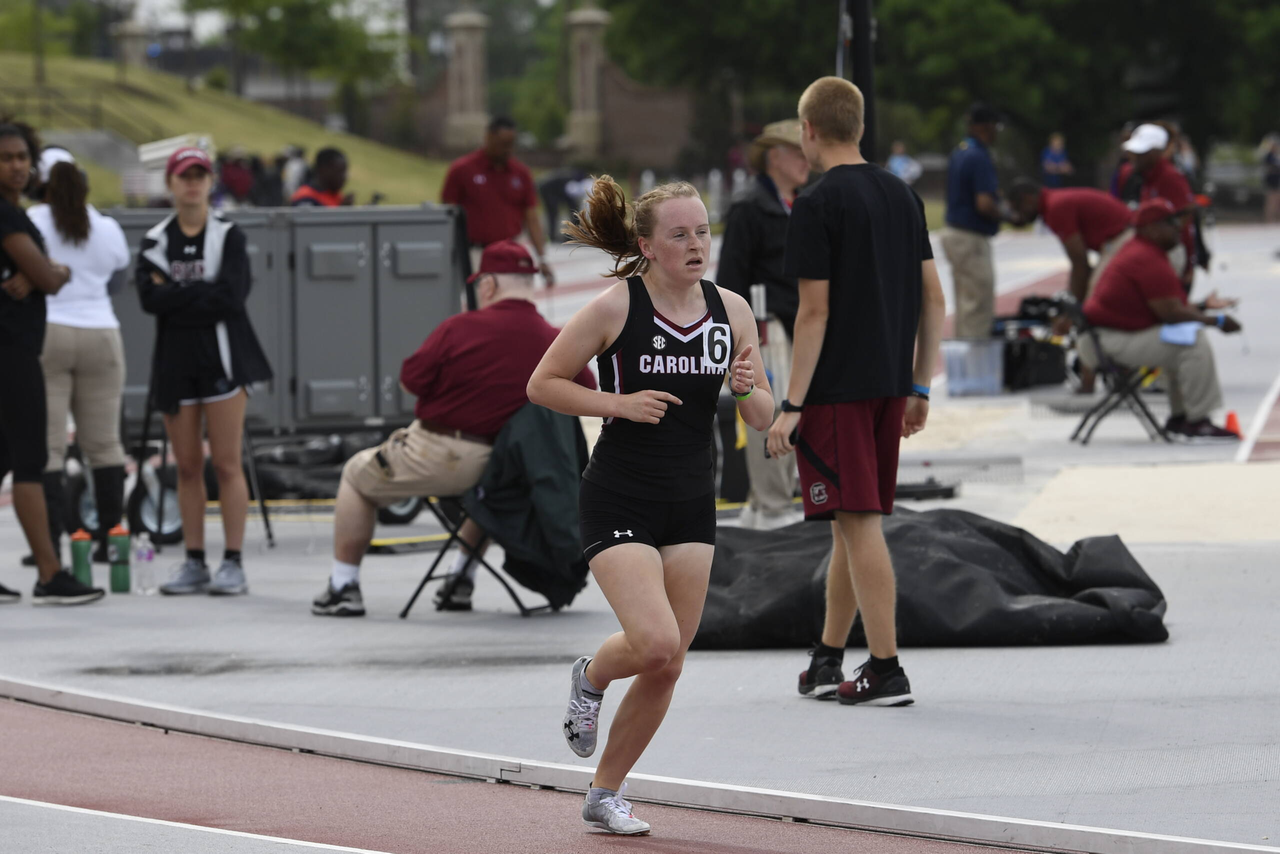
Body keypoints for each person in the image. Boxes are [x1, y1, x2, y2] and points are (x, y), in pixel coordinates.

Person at [527, 177, 773, 835]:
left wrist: (747, 388)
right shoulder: (616, 307)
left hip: (692, 498)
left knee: (668, 661)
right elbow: (542, 383)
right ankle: (591, 676)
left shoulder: (733, 310)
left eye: (702, 232)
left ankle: (604, 793)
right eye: (680, 235)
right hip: (619, 494)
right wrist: (617, 404)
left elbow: (765, 412)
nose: (696, 245)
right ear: (648, 245)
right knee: (654, 639)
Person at [765, 77, 945, 706]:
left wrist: (791, 404)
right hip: (890, 384)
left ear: (808, 131)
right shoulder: (904, 195)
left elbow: (813, 313)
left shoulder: (815, 205)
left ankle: (887, 667)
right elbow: (933, 298)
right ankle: (826, 657)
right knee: (849, 521)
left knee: (859, 522)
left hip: (838, 390)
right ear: (861, 127)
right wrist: (921, 381)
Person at [312, 241, 596, 617]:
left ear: (489, 286)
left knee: (354, 476)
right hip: (507, 470)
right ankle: (460, 578)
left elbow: (410, 381)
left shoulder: (459, 329)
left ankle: (344, 584)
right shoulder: (552, 339)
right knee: (482, 496)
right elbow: (587, 389)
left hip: (439, 453)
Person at [136, 146, 274, 596]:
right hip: (175, 363)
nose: (192, 183)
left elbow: (231, 297)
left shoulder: (228, 236)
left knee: (228, 464)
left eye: (200, 175)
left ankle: (232, 562)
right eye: (184, 175)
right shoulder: (156, 239)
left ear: (211, 182)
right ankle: (193, 561)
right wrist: (199, 293)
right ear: (171, 184)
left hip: (224, 360)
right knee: (188, 467)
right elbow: (149, 301)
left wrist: (178, 294)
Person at [0, 120, 104, 606]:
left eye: (22, 157)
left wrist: (40, 274)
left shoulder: (17, 216)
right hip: (12, 354)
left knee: (5, 458)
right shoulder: (5, 217)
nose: (17, 166)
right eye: (6, 158)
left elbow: (40, 275)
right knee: (30, 460)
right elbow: (51, 277)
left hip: (19, 348)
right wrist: (48, 272)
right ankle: (49, 573)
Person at [26, 151, 131, 567]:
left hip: (48, 332)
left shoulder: (34, 221)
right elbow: (118, 280)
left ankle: (51, 545)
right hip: (101, 333)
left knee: (49, 448)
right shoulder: (106, 227)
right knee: (104, 445)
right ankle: (110, 538)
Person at [1082, 198, 1240, 441]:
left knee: (1179, 336)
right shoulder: (1145, 258)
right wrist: (1217, 322)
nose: (1178, 228)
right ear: (1151, 228)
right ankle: (1198, 420)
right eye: (1170, 223)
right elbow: (1171, 313)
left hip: (1104, 337)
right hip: (1107, 341)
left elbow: (1164, 306)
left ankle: (1181, 417)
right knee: (1192, 341)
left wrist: (1201, 307)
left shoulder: (1142, 251)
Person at [716, 119, 810, 529]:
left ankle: (767, 501)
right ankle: (773, 505)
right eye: (799, 152)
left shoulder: (803, 202)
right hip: (766, 324)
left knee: (798, 412)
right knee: (773, 413)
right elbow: (731, 278)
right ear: (775, 157)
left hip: (802, 322)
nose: (808, 160)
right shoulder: (750, 208)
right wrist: (735, 339)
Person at [440, 117, 554, 284]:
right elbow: (448, 213)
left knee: (514, 304)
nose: (507, 149)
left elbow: (531, 217)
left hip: (512, 250)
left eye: (511, 143)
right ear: (488, 138)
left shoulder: (521, 173)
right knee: (482, 304)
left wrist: (542, 258)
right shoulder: (462, 169)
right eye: (503, 143)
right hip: (476, 252)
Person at [1006, 178, 1133, 300]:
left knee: (1099, 297)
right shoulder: (1055, 200)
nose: (1019, 215)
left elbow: (1079, 261)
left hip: (1123, 237)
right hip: (1125, 234)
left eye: (1018, 208)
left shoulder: (1055, 207)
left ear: (1028, 198)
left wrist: (1074, 305)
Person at [942, 104, 1002, 338]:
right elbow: (984, 203)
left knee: (966, 305)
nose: (996, 132)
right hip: (971, 236)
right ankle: (975, 368)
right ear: (983, 127)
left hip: (955, 233)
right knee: (979, 307)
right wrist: (1007, 214)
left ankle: (964, 367)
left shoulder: (961, 151)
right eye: (994, 126)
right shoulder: (979, 155)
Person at [1113, 123, 1197, 287]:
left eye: (1141, 153)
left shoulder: (1170, 178)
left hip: (1168, 258)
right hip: (1153, 258)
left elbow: (1186, 221)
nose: (1133, 157)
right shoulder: (1146, 178)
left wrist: (1189, 265)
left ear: (1156, 153)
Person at [1260, 135, 1280, 223]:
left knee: (1277, 200)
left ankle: (1275, 218)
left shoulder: (1276, 156)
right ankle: (1269, 219)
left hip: (1276, 180)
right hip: (1270, 180)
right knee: (1270, 200)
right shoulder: (1268, 156)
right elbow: (1268, 168)